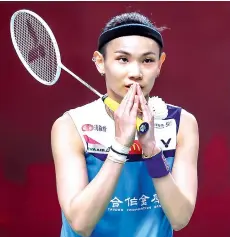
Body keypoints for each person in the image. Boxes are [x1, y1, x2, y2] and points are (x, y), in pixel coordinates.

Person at [51, 12, 199, 237]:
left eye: (148, 60)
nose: (136, 73)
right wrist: (120, 145)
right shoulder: (71, 126)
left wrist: (150, 149)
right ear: (100, 62)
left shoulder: (181, 124)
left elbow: (180, 219)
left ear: (160, 64)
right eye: (123, 59)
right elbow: (81, 223)